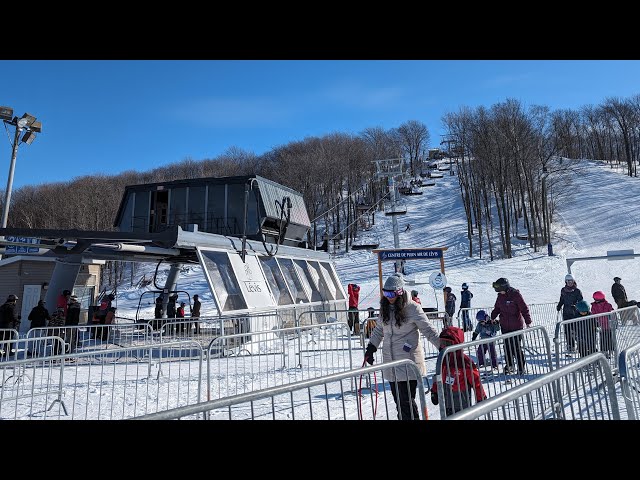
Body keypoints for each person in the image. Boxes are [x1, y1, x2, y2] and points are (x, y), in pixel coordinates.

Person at [364, 273, 440, 420]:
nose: (388, 297)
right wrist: (371, 348)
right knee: (399, 403)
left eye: (391, 293)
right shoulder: (385, 308)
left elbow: (428, 329)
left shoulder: (413, 308)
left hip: (408, 362)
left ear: (399, 292)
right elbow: (379, 330)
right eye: (385, 293)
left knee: (406, 403)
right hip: (391, 363)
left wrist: (442, 346)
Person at [430, 326, 486, 416]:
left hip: (461, 400)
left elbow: (476, 381)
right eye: (442, 343)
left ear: (456, 344)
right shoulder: (443, 360)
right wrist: (434, 391)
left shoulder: (464, 362)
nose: (444, 346)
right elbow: (438, 377)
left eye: (448, 343)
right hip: (447, 400)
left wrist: (481, 397)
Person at [490, 277, 532, 375]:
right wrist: (492, 316)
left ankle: (521, 367)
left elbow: (524, 308)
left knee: (516, 347)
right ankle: (510, 365)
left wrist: (528, 321)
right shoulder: (500, 296)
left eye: (500, 290)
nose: (500, 292)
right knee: (507, 347)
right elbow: (497, 308)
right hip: (505, 325)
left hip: (516, 326)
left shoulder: (515, 295)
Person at [556, 273, 583, 352]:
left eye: (571, 281)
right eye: (568, 281)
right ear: (565, 281)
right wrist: (559, 305)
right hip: (566, 312)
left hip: (575, 313)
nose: (569, 282)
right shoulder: (563, 290)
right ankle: (570, 346)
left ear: (573, 281)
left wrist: (576, 306)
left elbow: (581, 301)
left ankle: (580, 344)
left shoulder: (577, 291)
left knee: (576, 329)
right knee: (567, 330)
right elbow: (562, 299)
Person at [591, 291, 615, 359]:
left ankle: (611, 351)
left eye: (596, 299)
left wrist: (612, 318)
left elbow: (612, 312)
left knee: (610, 338)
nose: (595, 301)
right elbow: (593, 314)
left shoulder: (608, 305)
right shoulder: (594, 306)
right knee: (603, 339)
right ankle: (604, 351)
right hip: (601, 326)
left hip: (609, 325)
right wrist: (595, 322)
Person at [0, 294, 21, 358]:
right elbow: (14, 316)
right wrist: (18, 320)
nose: (15, 302)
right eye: (15, 300)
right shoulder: (12, 307)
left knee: (0, 339)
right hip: (9, 326)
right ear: (13, 300)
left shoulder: (2, 306)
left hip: (1, 326)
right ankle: (8, 352)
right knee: (8, 340)